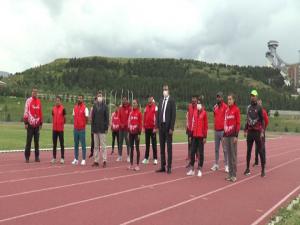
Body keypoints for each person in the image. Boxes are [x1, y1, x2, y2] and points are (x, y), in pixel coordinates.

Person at [244, 90, 266, 177]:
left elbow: (263, 120)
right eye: (251, 95)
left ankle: (263, 169)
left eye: (254, 95)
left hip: (257, 133)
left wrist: (262, 131)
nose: (252, 97)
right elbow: (247, 119)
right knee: (248, 151)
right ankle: (247, 168)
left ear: (256, 97)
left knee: (260, 151)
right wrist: (245, 130)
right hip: (250, 132)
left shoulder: (259, 108)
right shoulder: (248, 108)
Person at [156, 85, 176, 174]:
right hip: (161, 126)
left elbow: (173, 115)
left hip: (168, 128)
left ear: (168, 90)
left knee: (169, 147)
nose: (164, 91)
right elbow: (158, 114)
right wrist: (157, 126)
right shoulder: (160, 101)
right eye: (163, 89)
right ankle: (162, 166)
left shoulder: (171, 101)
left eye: (166, 89)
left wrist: (172, 127)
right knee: (162, 147)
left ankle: (169, 167)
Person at [186, 97, 208, 177]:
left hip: (201, 136)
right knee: (192, 152)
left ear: (202, 105)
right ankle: (192, 169)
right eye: (197, 103)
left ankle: (200, 169)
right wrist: (190, 135)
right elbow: (192, 124)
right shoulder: (195, 112)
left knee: (200, 153)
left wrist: (205, 136)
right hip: (194, 135)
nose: (198, 104)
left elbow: (206, 126)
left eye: (199, 103)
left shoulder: (204, 113)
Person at [223, 94, 240, 182]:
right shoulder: (226, 111)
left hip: (233, 136)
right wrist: (224, 135)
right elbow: (225, 123)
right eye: (228, 99)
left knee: (233, 156)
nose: (229, 101)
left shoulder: (236, 109)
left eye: (230, 99)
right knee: (228, 156)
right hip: (227, 136)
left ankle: (234, 175)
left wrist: (236, 136)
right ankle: (229, 174)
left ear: (233, 100)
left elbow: (238, 123)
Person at [23, 88, 43, 163]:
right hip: (30, 125)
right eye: (34, 92)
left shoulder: (39, 101)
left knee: (37, 142)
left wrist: (41, 123)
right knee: (28, 141)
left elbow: (40, 112)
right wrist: (25, 122)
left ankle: (37, 157)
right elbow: (26, 111)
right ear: (31, 92)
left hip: (37, 125)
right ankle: (27, 157)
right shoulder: (28, 101)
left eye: (36, 92)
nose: (35, 93)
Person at [211, 92, 228, 172]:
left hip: (223, 131)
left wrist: (226, 130)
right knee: (216, 149)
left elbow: (227, 119)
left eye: (219, 97)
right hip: (216, 131)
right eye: (217, 97)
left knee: (225, 149)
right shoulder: (215, 107)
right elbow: (215, 117)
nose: (218, 98)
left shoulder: (225, 107)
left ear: (222, 98)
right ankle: (216, 164)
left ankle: (226, 165)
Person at [91, 91, 109, 167]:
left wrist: (106, 128)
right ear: (96, 97)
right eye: (98, 96)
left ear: (103, 97)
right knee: (96, 146)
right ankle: (96, 161)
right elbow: (93, 118)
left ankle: (104, 160)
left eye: (100, 96)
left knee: (103, 146)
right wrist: (92, 128)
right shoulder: (94, 106)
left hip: (102, 129)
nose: (99, 97)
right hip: (95, 129)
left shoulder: (105, 106)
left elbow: (107, 118)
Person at [72, 94, 89, 166]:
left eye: (81, 98)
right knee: (76, 144)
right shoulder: (75, 107)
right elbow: (74, 116)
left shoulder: (85, 108)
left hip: (82, 129)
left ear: (83, 99)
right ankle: (76, 159)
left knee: (83, 145)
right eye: (78, 98)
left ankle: (83, 159)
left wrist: (83, 124)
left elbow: (87, 118)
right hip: (75, 129)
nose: (79, 99)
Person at [142, 95, 158, 165]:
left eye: (151, 98)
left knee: (154, 144)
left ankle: (155, 158)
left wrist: (156, 127)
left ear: (152, 99)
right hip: (147, 128)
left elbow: (157, 118)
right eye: (148, 99)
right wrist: (143, 127)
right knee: (147, 144)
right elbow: (144, 118)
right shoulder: (146, 108)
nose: (149, 100)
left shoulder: (155, 107)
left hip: (153, 129)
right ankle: (146, 158)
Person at [253, 99, 269, 167]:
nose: (259, 104)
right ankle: (256, 162)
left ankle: (264, 161)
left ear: (261, 104)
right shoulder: (255, 111)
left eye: (260, 103)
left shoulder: (264, 112)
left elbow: (267, 121)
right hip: (256, 131)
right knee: (256, 147)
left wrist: (263, 129)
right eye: (258, 103)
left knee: (262, 147)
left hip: (261, 132)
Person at [128, 99, 142, 171]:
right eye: (132, 103)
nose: (133, 104)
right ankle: (131, 164)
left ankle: (137, 165)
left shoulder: (139, 113)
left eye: (135, 103)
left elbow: (140, 124)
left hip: (136, 133)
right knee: (131, 149)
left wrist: (139, 133)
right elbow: (129, 122)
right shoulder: (130, 113)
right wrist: (128, 131)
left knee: (137, 149)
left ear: (137, 104)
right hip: (131, 133)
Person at [51, 96, 66, 164]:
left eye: (58, 100)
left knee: (61, 144)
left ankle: (62, 158)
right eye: (56, 100)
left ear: (60, 101)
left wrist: (61, 124)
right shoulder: (53, 108)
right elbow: (53, 117)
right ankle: (54, 157)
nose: (57, 102)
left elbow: (65, 118)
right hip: (54, 129)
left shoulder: (63, 109)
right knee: (54, 144)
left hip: (60, 129)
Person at [117, 96, 132, 162]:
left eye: (125, 100)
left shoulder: (129, 108)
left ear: (127, 101)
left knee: (127, 142)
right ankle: (120, 156)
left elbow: (130, 118)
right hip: (120, 128)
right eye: (123, 100)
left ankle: (128, 156)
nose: (124, 101)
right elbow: (118, 117)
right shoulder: (120, 108)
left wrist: (125, 124)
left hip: (126, 128)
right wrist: (121, 124)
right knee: (120, 142)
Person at [185, 96, 197, 168]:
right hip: (190, 130)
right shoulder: (189, 107)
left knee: (197, 147)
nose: (193, 103)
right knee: (191, 146)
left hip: (197, 131)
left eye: (194, 101)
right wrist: (188, 130)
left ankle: (199, 164)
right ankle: (191, 162)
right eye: (192, 101)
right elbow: (188, 119)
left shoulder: (199, 108)